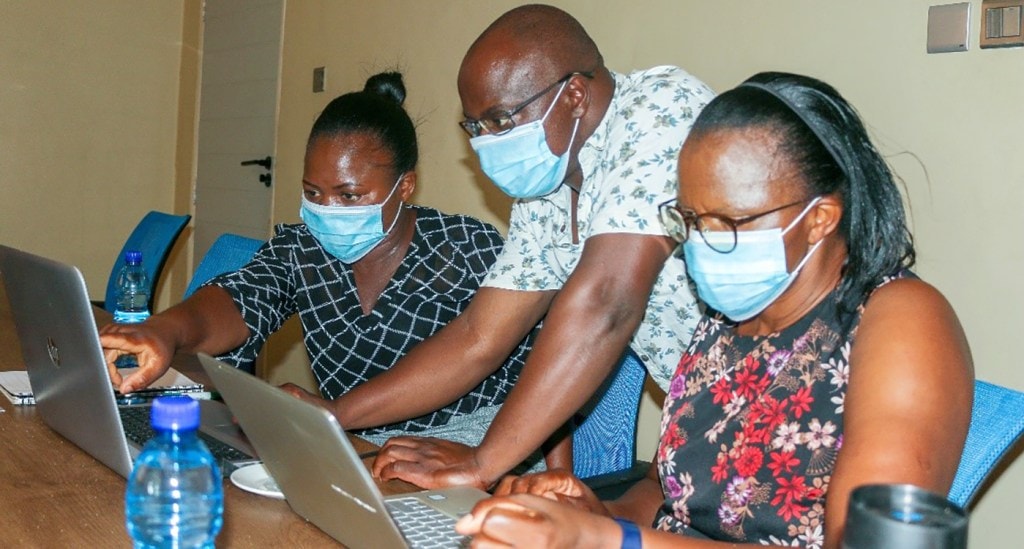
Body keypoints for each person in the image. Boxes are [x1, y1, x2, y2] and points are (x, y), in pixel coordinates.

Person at [452, 71, 975, 548]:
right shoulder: (726, 325)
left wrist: (604, 541)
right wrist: (588, 514)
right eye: (691, 220)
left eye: (727, 222)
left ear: (820, 219)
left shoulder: (902, 320)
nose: (700, 244)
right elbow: (669, 493)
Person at [320, 4, 714, 489]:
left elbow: (607, 302)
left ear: (573, 94)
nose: (486, 143)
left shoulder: (660, 109)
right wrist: (335, 415)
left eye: (500, 122)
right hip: (708, 421)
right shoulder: (548, 184)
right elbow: (479, 337)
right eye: (475, 128)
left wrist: (483, 463)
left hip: (798, 405)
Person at [100, 72, 545, 457]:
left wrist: (556, 478)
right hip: (352, 448)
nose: (328, 209)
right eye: (313, 193)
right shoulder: (303, 248)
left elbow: (534, 360)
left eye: (350, 195)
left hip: (469, 447)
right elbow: (241, 297)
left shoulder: (465, 247)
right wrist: (166, 330)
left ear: (405, 186)